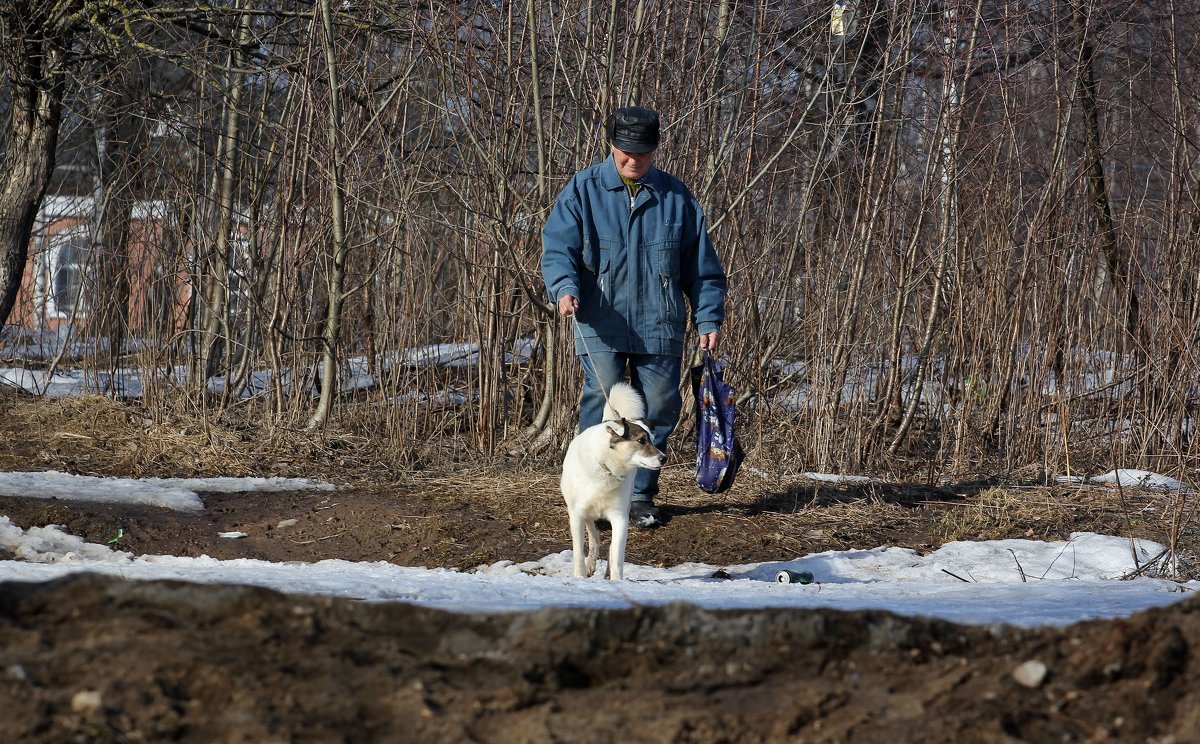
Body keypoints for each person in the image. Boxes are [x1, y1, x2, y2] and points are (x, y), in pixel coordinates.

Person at [541, 106, 728, 528]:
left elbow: (703, 269)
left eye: (641, 154)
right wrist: (564, 287)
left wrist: (708, 318)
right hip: (599, 322)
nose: (632, 161)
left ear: (654, 151)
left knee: (658, 406)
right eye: (625, 152)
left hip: (659, 323)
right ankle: (592, 494)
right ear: (611, 145)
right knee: (603, 408)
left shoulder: (677, 199)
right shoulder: (582, 190)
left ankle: (639, 496)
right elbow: (557, 248)